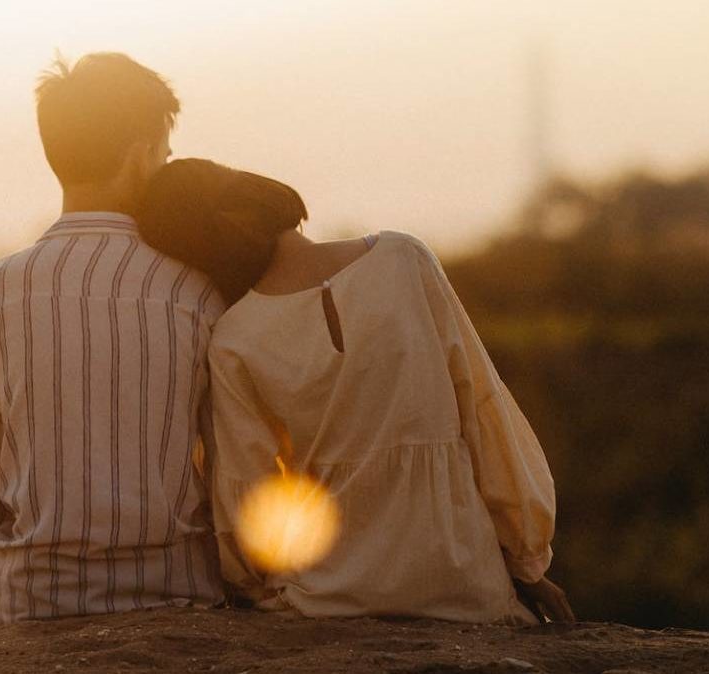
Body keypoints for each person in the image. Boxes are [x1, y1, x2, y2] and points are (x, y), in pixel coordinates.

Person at [134, 158, 575, 625]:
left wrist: (251, 585)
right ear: (256, 191)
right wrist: (527, 562)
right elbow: (484, 412)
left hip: (326, 598)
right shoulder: (404, 259)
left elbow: (249, 494)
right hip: (463, 584)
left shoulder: (234, 340)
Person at [0, 54, 227, 622]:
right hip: (181, 599)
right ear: (143, 155)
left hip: (35, 604)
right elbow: (233, 468)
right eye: (164, 154)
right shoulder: (199, 293)